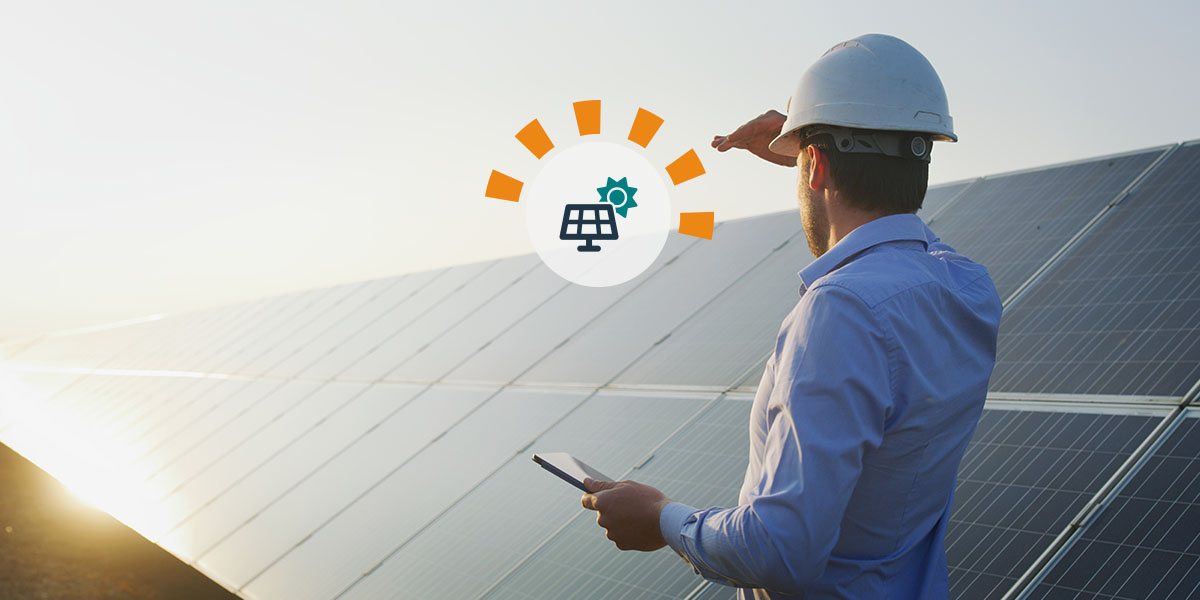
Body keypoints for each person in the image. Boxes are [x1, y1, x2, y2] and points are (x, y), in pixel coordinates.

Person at [580, 34, 1003, 599]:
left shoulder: (842, 310)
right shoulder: (968, 287)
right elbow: (901, 233)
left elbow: (780, 549)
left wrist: (659, 517)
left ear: (817, 166)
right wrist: (811, 141)